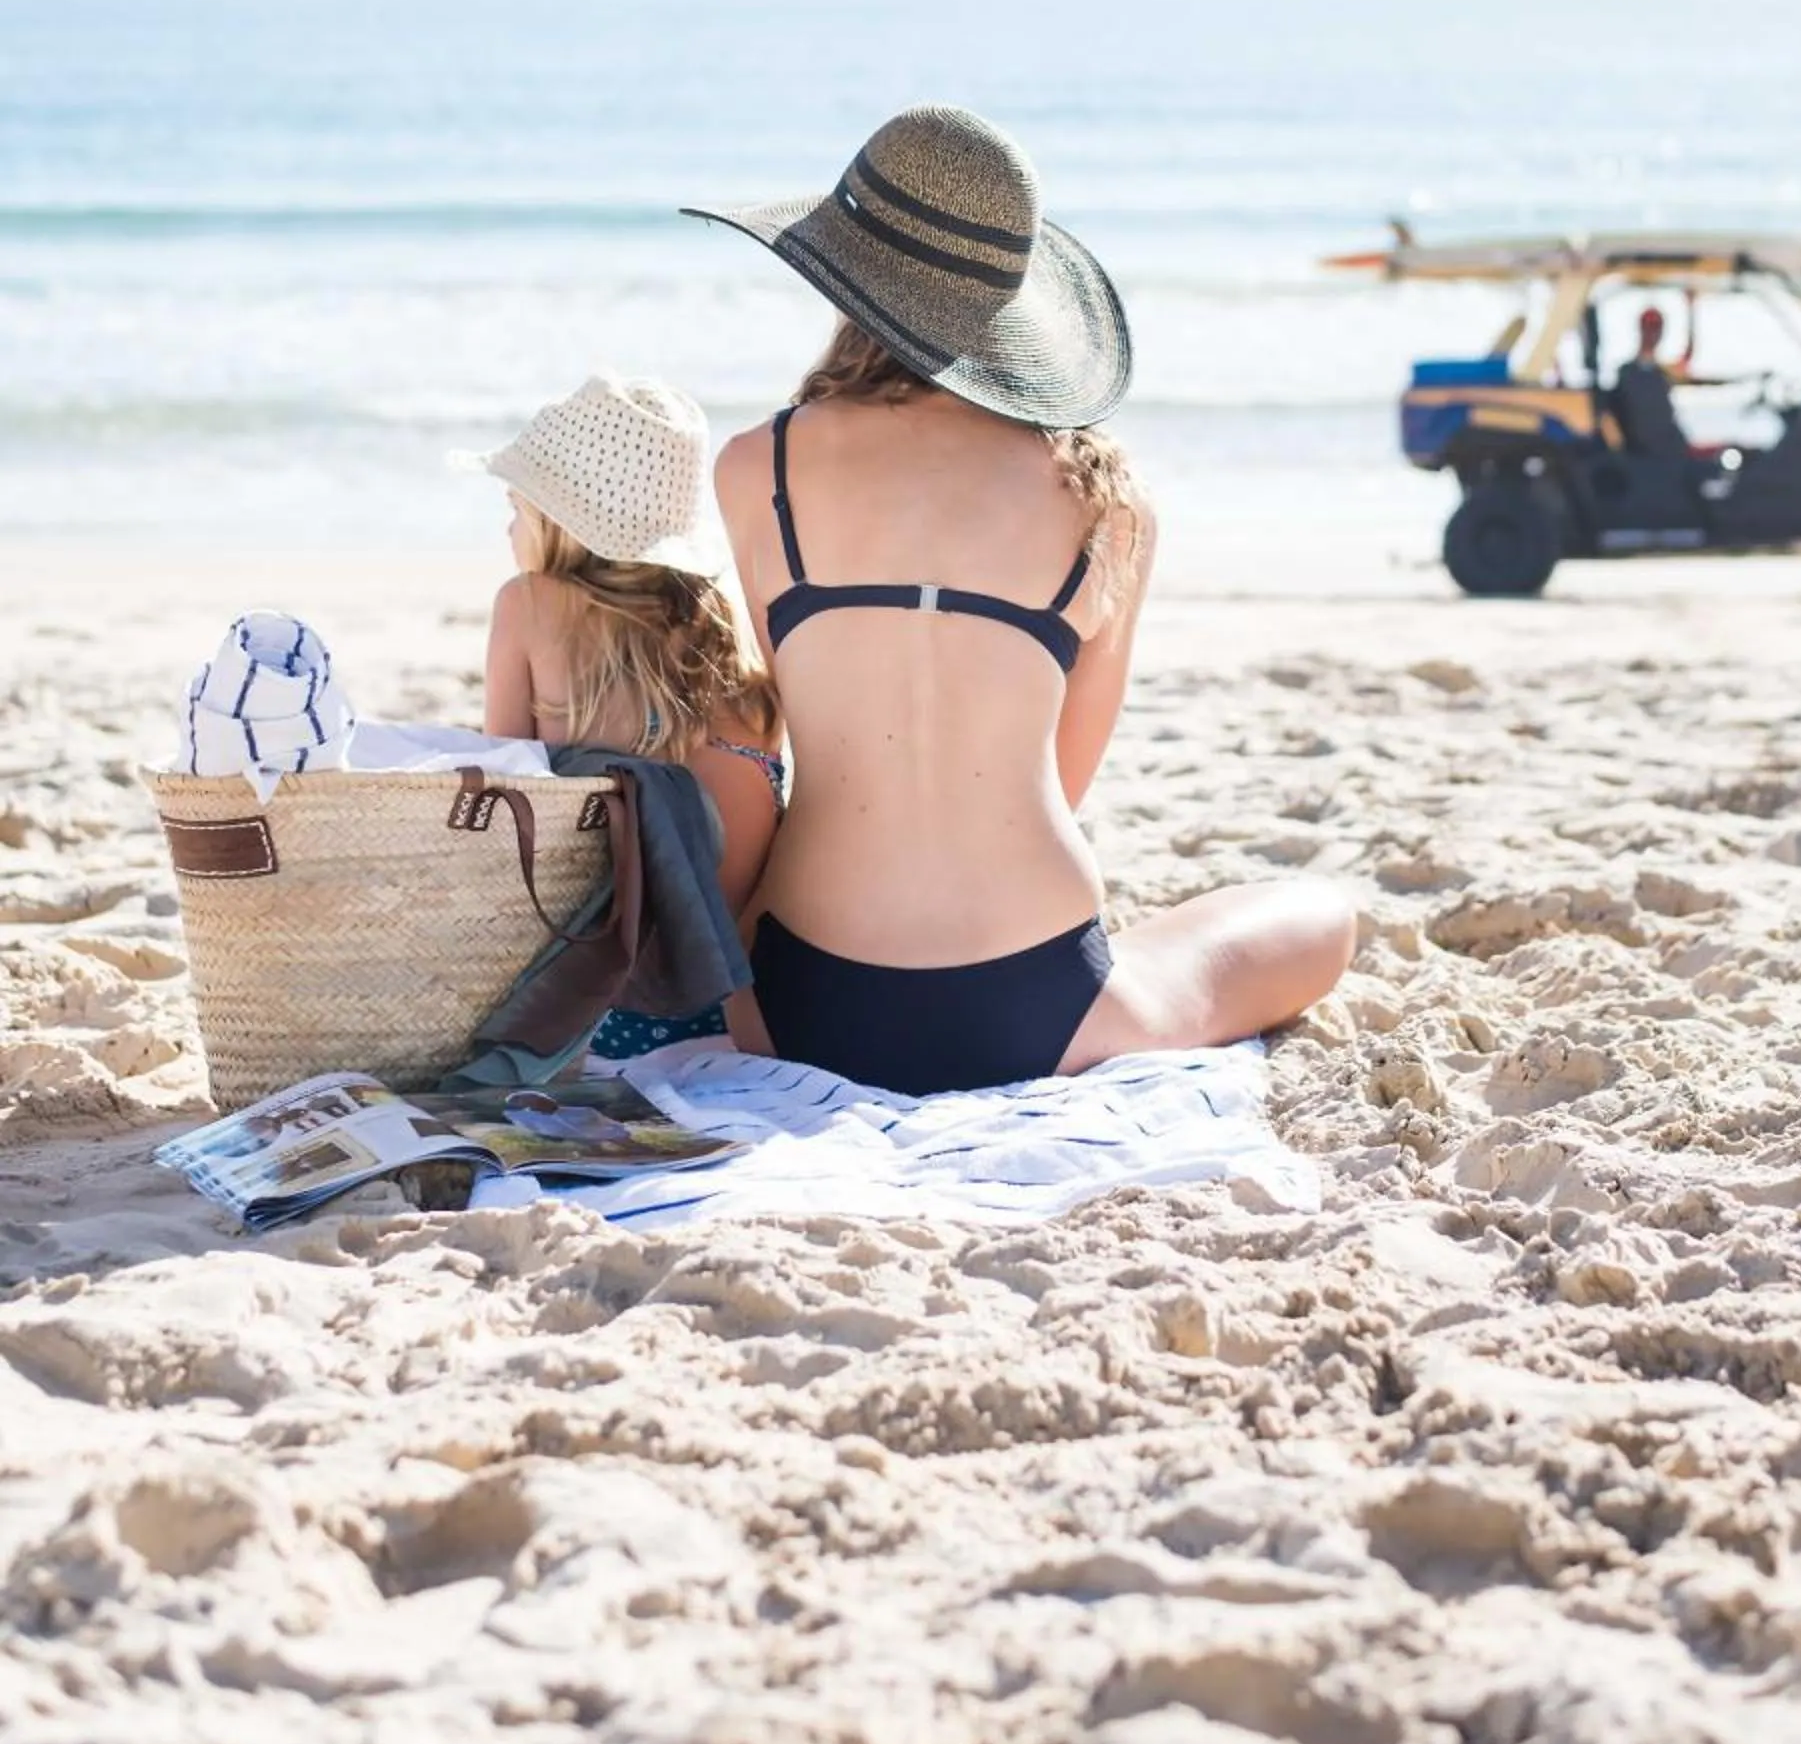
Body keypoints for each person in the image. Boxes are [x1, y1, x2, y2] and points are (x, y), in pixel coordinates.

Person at [683, 104, 1356, 1096]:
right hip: (1033, 1004)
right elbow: (1067, 776)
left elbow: (787, 737)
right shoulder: (1105, 504)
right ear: (1014, 312)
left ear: (844, 279)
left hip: (805, 1001)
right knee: (1319, 914)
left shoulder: (758, 469)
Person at [462, 374, 784, 1055]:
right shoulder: (732, 638)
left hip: (606, 1012)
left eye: (518, 507)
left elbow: (502, 792)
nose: (509, 527)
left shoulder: (528, 604)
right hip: (745, 1005)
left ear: (559, 520)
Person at [1611, 304, 1692, 460]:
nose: (1652, 333)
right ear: (1641, 329)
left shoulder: (1662, 373)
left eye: (1656, 327)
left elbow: (1686, 358)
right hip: (1639, 453)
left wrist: (1691, 308)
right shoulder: (1627, 373)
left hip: (1667, 450)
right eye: (1649, 327)